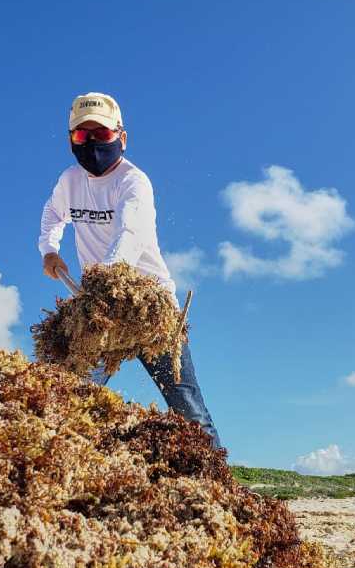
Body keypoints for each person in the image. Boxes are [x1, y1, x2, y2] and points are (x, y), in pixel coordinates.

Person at [37, 92, 221, 449]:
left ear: (121, 136)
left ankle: (224, 487)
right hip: (100, 315)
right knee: (70, 398)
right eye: (82, 136)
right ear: (71, 139)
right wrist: (49, 250)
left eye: (101, 135)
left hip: (152, 312)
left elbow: (130, 233)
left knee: (187, 408)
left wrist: (104, 279)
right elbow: (52, 214)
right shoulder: (70, 181)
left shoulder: (133, 182)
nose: (92, 143)